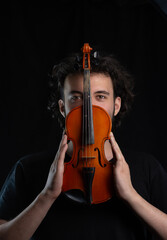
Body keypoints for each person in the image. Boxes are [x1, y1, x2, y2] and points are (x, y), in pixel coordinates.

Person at [0, 50, 167, 240]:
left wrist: (131, 196)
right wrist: (46, 196)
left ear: (116, 105)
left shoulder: (147, 168)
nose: (89, 108)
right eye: (76, 98)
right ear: (63, 107)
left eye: (101, 97)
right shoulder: (27, 169)